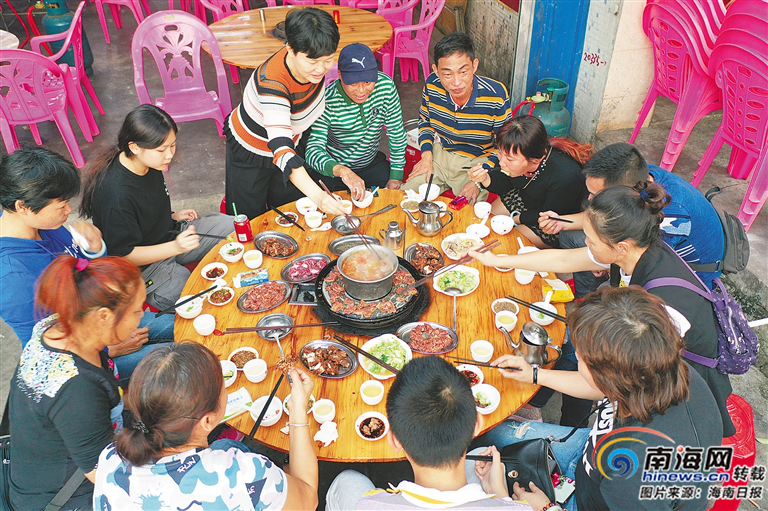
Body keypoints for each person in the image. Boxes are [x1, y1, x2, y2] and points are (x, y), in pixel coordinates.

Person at [469, 182, 734, 437]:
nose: (586, 244)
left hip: (681, 390)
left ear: (621, 247)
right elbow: (564, 259)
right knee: (572, 349)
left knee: (575, 353)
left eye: (591, 241)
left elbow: (605, 385)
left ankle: (576, 433)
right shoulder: (634, 249)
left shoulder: (661, 307)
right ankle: (561, 419)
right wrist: (498, 259)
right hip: (631, 368)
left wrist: (536, 375)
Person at [475, 287, 724, 511]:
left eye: (580, 359)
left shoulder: (633, 474)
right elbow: (598, 386)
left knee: (475, 472)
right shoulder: (662, 367)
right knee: (489, 434)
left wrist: (523, 503)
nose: (576, 360)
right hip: (590, 455)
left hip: (588, 500)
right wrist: (535, 374)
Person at [0, 148, 172, 382]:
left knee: (182, 326)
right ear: (22, 206)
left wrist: (94, 250)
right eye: (61, 205)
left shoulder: (42, 225)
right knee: (175, 356)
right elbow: (47, 349)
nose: (69, 211)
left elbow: (84, 271)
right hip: (86, 358)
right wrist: (109, 348)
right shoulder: (13, 278)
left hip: (105, 315)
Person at [93, 342, 319, 511]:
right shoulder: (244, 474)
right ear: (208, 421)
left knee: (227, 446)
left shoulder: (110, 456)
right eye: (223, 386)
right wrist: (298, 408)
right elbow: (309, 499)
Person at [8, 256, 144, 510]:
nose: (142, 315)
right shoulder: (78, 389)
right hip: (67, 494)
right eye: (137, 310)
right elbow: (103, 474)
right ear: (103, 316)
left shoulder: (55, 325)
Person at [326, 356, 536, 510]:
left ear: (394, 440)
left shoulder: (367, 506)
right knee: (478, 456)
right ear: (477, 424)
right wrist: (500, 497)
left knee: (347, 480)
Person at [79, 105, 235, 312]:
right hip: (143, 267)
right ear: (134, 147)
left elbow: (143, 208)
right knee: (190, 292)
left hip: (169, 233)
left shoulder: (148, 162)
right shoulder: (115, 196)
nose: (169, 155)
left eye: (173, 145)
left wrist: (172, 216)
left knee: (233, 226)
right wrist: (176, 247)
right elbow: (123, 255)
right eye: (162, 150)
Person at [537, 143, 724, 292]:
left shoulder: (668, 217)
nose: (590, 200)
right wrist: (561, 222)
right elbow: (599, 217)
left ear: (623, 193)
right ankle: (585, 294)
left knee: (606, 297)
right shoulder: (639, 178)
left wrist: (607, 262)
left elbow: (645, 264)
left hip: (686, 279)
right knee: (571, 237)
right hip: (648, 253)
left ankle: (593, 297)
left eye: (597, 195)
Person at [224, 7, 347, 219]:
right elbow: (281, 149)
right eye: (312, 62)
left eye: (328, 60)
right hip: (252, 149)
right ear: (290, 48)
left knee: (290, 211)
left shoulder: (310, 61)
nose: (320, 69)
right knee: (249, 217)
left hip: (292, 140)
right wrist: (319, 197)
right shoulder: (273, 84)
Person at [401, 32, 511, 204]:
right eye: (447, 74)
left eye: (463, 72)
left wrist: (479, 180)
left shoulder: (495, 94)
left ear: (474, 65)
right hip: (440, 156)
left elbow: (504, 145)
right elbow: (425, 122)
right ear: (436, 70)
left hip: (476, 163)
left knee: (469, 210)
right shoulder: (432, 85)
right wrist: (426, 156)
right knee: (404, 197)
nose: (457, 82)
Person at [467, 115, 590, 248]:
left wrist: (515, 219)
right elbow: (504, 183)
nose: (501, 162)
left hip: (550, 220)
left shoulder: (565, 176)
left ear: (535, 161)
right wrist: (485, 179)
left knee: (508, 243)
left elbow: (549, 215)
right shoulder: (513, 149)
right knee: (483, 223)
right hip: (525, 198)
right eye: (500, 153)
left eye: (509, 159)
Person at [305, 43, 407, 197]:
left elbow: (396, 133)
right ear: (340, 75)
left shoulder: (385, 87)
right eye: (353, 83)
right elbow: (313, 151)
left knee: (390, 195)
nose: (361, 91)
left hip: (370, 164)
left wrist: (396, 176)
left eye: (367, 82)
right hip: (336, 171)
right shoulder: (326, 101)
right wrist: (342, 171)